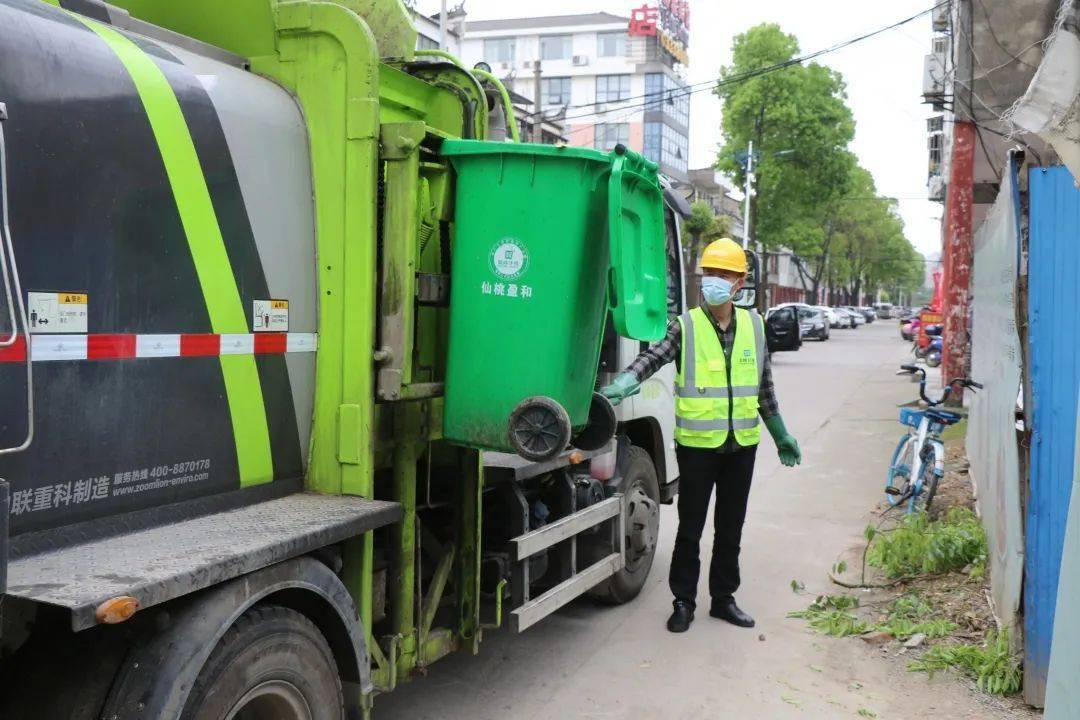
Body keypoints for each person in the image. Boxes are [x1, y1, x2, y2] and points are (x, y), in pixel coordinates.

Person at [599, 237, 801, 633]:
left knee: (730, 528)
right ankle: (683, 601)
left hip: (741, 448)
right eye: (710, 273)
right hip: (696, 450)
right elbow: (652, 356)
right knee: (690, 530)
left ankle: (723, 599)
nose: (715, 281)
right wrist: (625, 382)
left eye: (724, 274)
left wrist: (781, 435)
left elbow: (764, 389)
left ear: (739, 283)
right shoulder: (685, 326)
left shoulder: (755, 326)